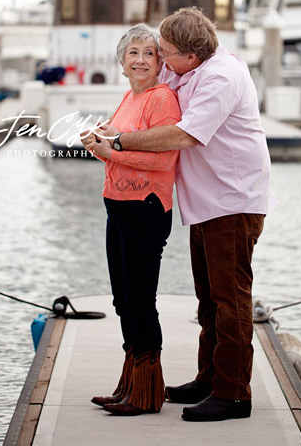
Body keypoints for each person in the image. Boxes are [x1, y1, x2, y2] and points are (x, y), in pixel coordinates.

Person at [83, 7, 273, 422]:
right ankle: (208, 378)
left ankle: (234, 393)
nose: (160, 61)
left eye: (165, 53)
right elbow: (147, 85)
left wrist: (118, 141)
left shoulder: (222, 76)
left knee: (230, 300)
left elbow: (184, 134)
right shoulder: (184, 68)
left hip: (233, 201)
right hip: (205, 201)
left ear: (192, 55)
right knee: (208, 299)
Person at [86, 24, 181, 416]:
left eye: (148, 53)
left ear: (160, 62)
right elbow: (115, 152)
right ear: (122, 62)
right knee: (123, 300)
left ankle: (147, 393)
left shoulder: (162, 99)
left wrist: (112, 150)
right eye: (133, 54)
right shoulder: (128, 97)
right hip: (118, 207)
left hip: (146, 209)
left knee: (141, 300)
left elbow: (164, 158)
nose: (140, 60)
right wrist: (96, 145)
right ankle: (130, 384)